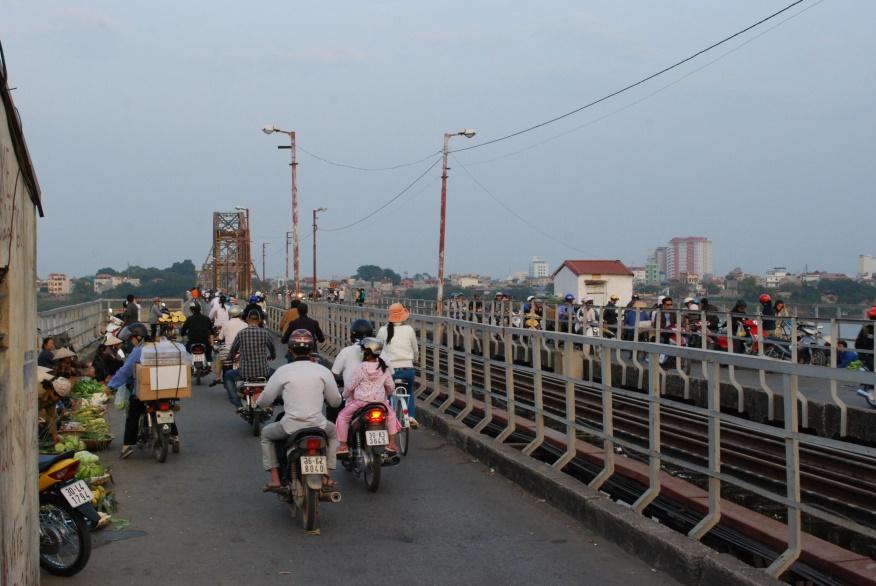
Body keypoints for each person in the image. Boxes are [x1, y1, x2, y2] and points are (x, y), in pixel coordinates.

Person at [257, 329, 342, 492]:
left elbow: (266, 398)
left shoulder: (283, 371)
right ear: (312, 349)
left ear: (290, 349)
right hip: (318, 425)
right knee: (334, 434)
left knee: (266, 435)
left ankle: (275, 479)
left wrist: (259, 404)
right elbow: (335, 401)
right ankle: (327, 475)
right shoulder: (323, 370)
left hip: (290, 426)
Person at [108, 322, 180, 458]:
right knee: (166, 406)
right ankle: (175, 437)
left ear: (138, 337)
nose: (130, 342)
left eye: (131, 339)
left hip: (146, 391)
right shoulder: (160, 346)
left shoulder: (139, 351)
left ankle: (126, 446)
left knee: (133, 414)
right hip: (166, 387)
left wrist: (111, 386)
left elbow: (125, 371)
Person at [336, 338, 400, 456]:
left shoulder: (361, 367)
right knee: (391, 416)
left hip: (361, 403)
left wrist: (344, 395)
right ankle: (391, 443)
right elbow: (391, 387)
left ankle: (343, 445)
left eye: (363, 350)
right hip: (380, 404)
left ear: (367, 352)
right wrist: (387, 393)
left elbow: (350, 386)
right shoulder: (383, 367)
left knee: (342, 417)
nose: (361, 352)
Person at [377, 303, 419, 428]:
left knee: (387, 393)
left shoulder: (382, 330)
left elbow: (378, 350)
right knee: (410, 391)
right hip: (408, 369)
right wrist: (415, 360)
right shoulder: (409, 329)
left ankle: (388, 418)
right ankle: (411, 416)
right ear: (403, 316)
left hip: (390, 371)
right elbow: (415, 350)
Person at [225, 309, 276, 410]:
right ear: (260, 320)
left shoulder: (241, 333)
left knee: (227, 376)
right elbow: (272, 349)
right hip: (263, 371)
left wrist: (230, 358)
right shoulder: (265, 333)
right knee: (277, 375)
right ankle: (271, 402)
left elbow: (233, 350)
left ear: (247, 320)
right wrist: (272, 356)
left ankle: (238, 405)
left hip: (244, 372)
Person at [38, 372, 71, 443]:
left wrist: (55, 436)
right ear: (51, 388)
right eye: (55, 394)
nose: (56, 398)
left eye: (60, 397)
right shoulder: (38, 392)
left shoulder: (52, 400)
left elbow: (51, 417)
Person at [855, 307, 876, 405]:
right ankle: (872, 389)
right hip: (868, 356)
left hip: (868, 355)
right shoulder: (866, 329)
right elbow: (858, 344)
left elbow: (857, 344)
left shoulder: (866, 328)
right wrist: (862, 356)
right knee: (873, 367)